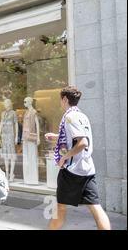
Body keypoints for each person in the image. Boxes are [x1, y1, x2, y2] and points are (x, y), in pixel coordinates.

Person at [45, 86, 111, 230]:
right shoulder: (82, 115)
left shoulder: (70, 116)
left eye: (60, 100)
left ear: (65, 99)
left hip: (72, 171)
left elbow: (82, 143)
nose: (60, 103)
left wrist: (64, 158)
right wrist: (56, 137)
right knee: (96, 208)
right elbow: (77, 138)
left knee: (60, 209)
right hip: (87, 170)